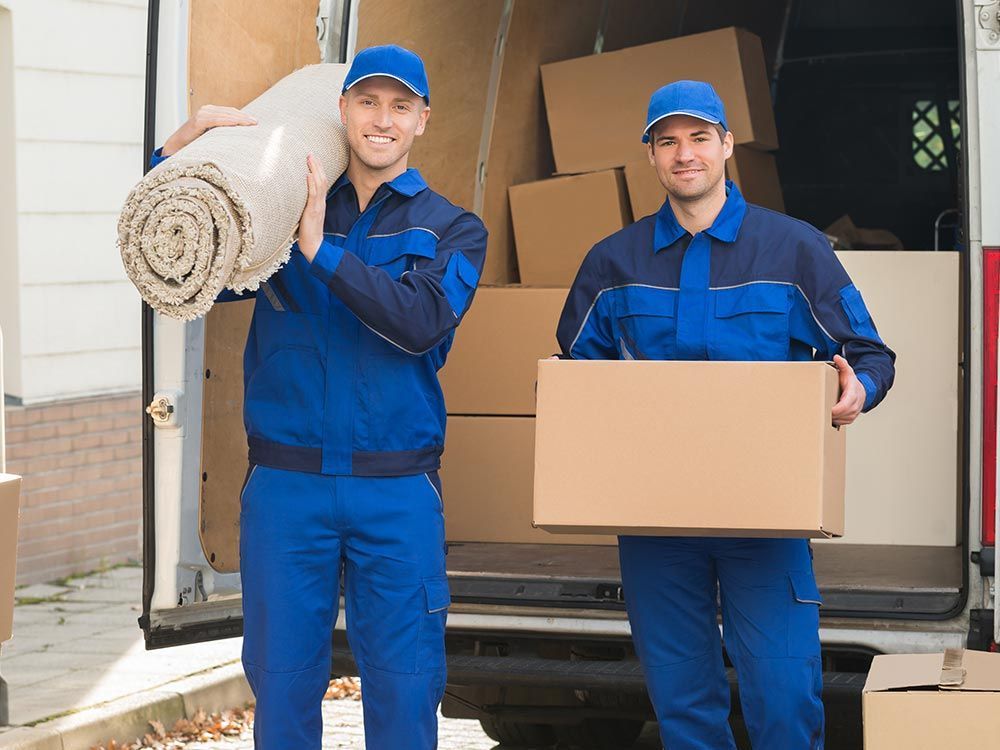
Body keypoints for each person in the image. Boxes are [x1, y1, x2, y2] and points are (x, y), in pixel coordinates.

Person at [153, 45, 487, 749]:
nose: (383, 120)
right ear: (342, 112)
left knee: (403, 689)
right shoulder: (280, 208)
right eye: (368, 102)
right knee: (281, 686)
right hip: (286, 487)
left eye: (401, 106)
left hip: (395, 492)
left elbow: (420, 322)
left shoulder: (453, 229)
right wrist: (168, 160)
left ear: (423, 120)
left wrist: (322, 254)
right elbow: (190, 262)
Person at [555, 80, 895, 749]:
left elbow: (869, 353)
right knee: (682, 706)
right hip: (656, 519)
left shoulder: (795, 250)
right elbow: (574, 375)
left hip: (766, 512)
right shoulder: (613, 263)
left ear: (726, 146)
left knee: (785, 698)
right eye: (668, 141)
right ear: (650, 155)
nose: (685, 154)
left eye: (699, 138)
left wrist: (859, 391)